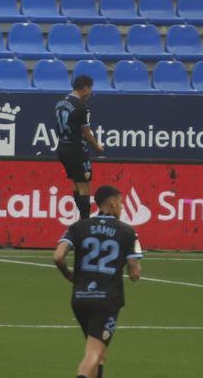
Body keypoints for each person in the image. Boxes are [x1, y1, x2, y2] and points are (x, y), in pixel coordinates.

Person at [53, 185, 143, 378]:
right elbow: (135, 273)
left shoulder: (78, 227)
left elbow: (58, 256)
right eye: (120, 202)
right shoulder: (127, 231)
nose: (122, 207)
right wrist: (133, 267)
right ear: (112, 202)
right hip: (107, 300)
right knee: (93, 353)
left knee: (100, 353)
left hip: (80, 298)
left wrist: (69, 275)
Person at [55, 75, 105, 221]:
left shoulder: (60, 104)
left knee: (76, 185)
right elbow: (87, 132)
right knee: (85, 188)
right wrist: (97, 146)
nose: (90, 93)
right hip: (76, 149)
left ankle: (82, 220)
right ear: (85, 88)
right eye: (90, 90)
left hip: (62, 148)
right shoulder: (82, 107)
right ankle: (85, 223)